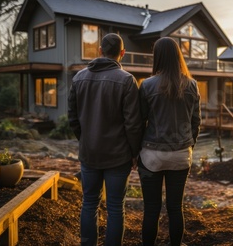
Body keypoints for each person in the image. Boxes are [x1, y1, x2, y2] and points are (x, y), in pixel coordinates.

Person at [68, 33, 143, 246]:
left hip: (89, 154)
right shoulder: (127, 80)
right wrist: (134, 152)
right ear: (122, 54)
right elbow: (133, 124)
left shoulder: (78, 78)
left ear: (100, 51)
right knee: (115, 207)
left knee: (89, 203)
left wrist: (85, 140)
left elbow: (72, 117)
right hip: (118, 157)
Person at [137, 37, 201, 246]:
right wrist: (188, 146)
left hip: (151, 155)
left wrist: (136, 150)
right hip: (181, 155)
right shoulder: (191, 85)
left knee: (151, 209)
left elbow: (139, 121)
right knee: (175, 208)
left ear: (158, 56)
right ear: (177, 56)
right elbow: (195, 122)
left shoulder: (146, 85)